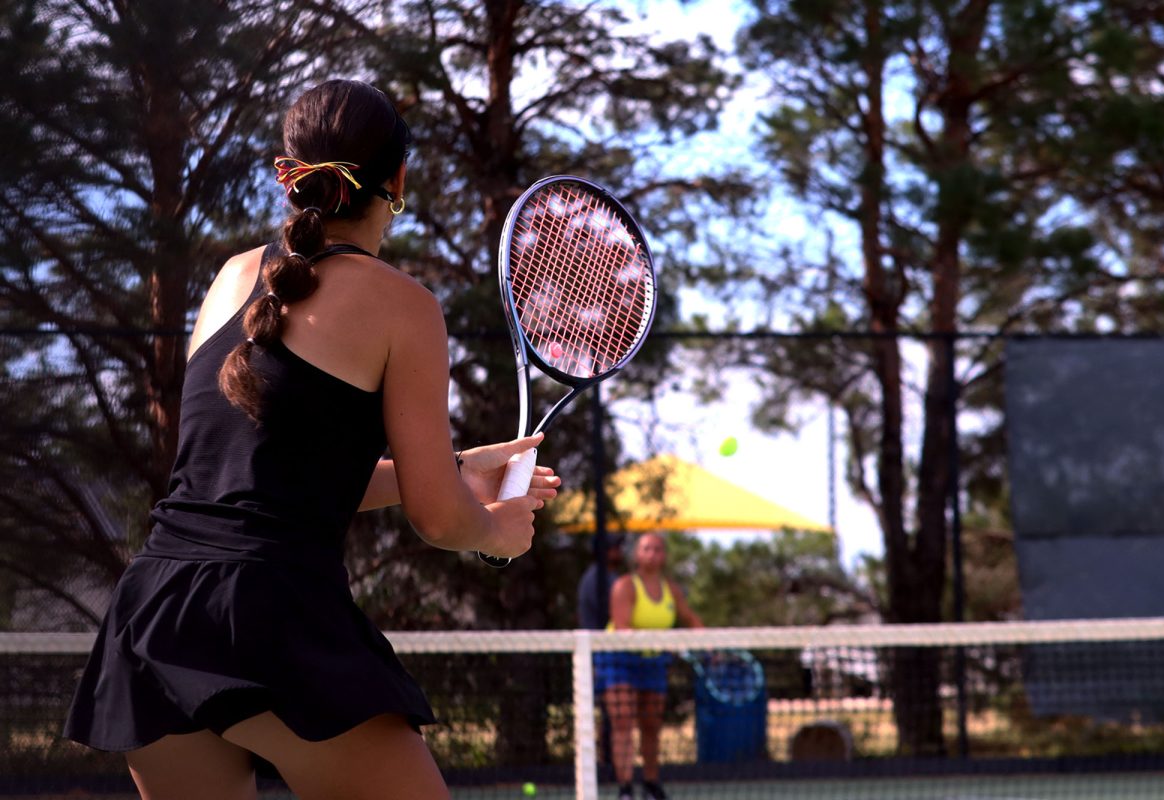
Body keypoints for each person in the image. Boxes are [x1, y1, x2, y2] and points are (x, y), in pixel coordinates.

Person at [61, 79, 559, 800]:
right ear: (398, 180)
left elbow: (263, 477)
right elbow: (438, 519)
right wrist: (496, 529)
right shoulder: (405, 306)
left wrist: (458, 467)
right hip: (271, 614)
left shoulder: (231, 278)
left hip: (153, 614)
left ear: (285, 174)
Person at [601, 532, 704, 800]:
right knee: (623, 722)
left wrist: (708, 642)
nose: (653, 554)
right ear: (637, 554)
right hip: (619, 659)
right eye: (647, 549)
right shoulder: (625, 586)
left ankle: (650, 784)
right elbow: (622, 625)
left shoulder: (672, 589)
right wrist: (662, 643)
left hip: (654, 663)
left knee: (651, 724)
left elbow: (690, 618)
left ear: (664, 556)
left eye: (658, 549)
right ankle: (625, 789)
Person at [578, 532, 628, 766]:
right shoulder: (600, 579)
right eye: (614, 547)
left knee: (612, 715)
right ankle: (603, 765)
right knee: (612, 715)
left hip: (605, 655)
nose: (619, 552)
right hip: (601, 657)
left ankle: (606, 762)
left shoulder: (607, 577)